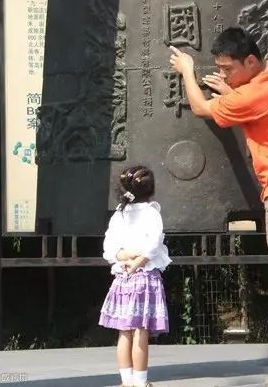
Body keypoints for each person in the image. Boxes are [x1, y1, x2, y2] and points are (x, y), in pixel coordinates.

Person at [169, 27, 268, 387]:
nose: (224, 75)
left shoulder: (246, 98)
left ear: (252, 62)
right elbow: (265, 103)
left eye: (228, 69)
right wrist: (235, 91)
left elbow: (201, 107)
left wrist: (188, 71)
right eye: (220, 69)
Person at [99, 165, 171, 387]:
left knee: (124, 331)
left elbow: (109, 248)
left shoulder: (119, 214)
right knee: (140, 331)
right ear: (151, 189)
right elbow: (153, 245)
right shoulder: (151, 213)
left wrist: (126, 258)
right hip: (145, 278)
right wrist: (138, 261)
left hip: (122, 278)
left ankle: (126, 381)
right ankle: (140, 382)